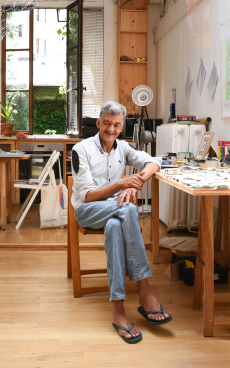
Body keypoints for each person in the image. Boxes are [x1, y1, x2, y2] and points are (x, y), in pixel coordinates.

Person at [71, 101, 172, 344]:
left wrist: (137, 180)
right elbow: (88, 196)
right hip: (88, 210)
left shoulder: (123, 147)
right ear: (98, 123)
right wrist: (120, 185)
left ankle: (118, 310)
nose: (111, 129)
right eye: (106, 123)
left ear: (121, 126)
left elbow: (154, 162)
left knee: (118, 224)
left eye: (116, 124)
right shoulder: (81, 149)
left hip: (115, 212)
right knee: (128, 210)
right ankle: (144, 290)